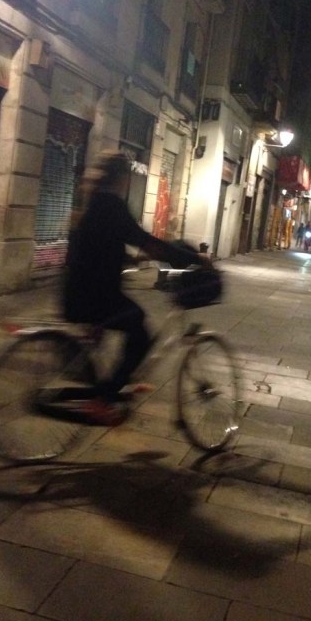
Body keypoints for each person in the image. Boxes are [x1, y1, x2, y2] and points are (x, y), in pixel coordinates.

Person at [62, 151, 207, 425]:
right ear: (121, 178)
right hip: (94, 296)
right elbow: (143, 239)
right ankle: (102, 400)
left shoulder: (95, 202)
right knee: (139, 331)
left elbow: (101, 245)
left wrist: (133, 257)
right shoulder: (111, 204)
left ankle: (118, 382)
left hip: (82, 291)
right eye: (128, 176)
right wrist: (191, 258)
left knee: (121, 331)